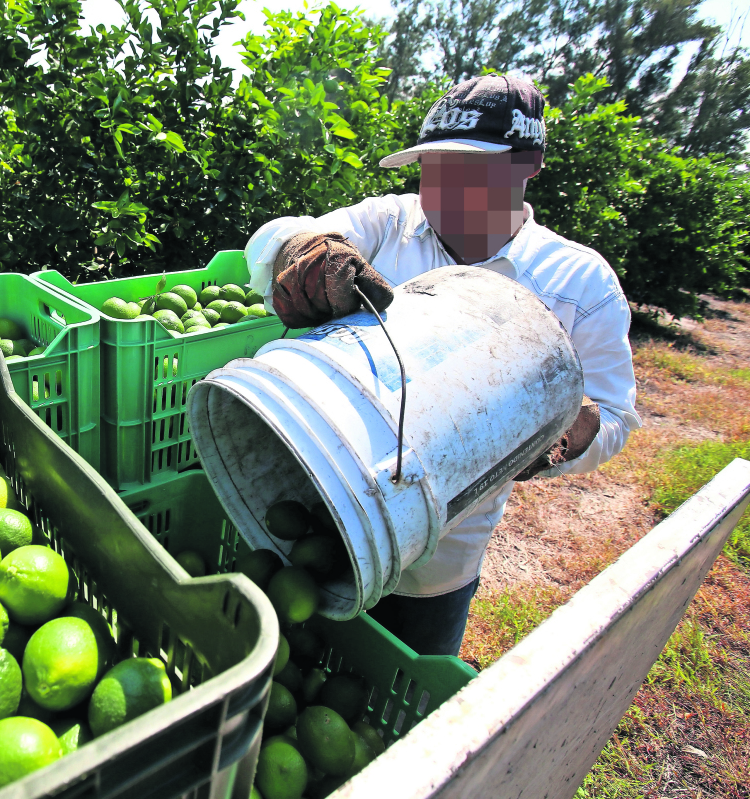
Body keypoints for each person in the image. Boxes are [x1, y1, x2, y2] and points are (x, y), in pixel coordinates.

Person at [243, 75, 641, 657]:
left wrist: (564, 433)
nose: (442, 191)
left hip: (439, 554)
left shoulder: (577, 283)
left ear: (527, 163)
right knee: (298, 660)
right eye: (432, 170)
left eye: (469, 171)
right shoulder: (392, 225)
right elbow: (281, 237)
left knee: (405, 687)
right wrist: (303, 253)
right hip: (320, 499)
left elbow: (614, 415)